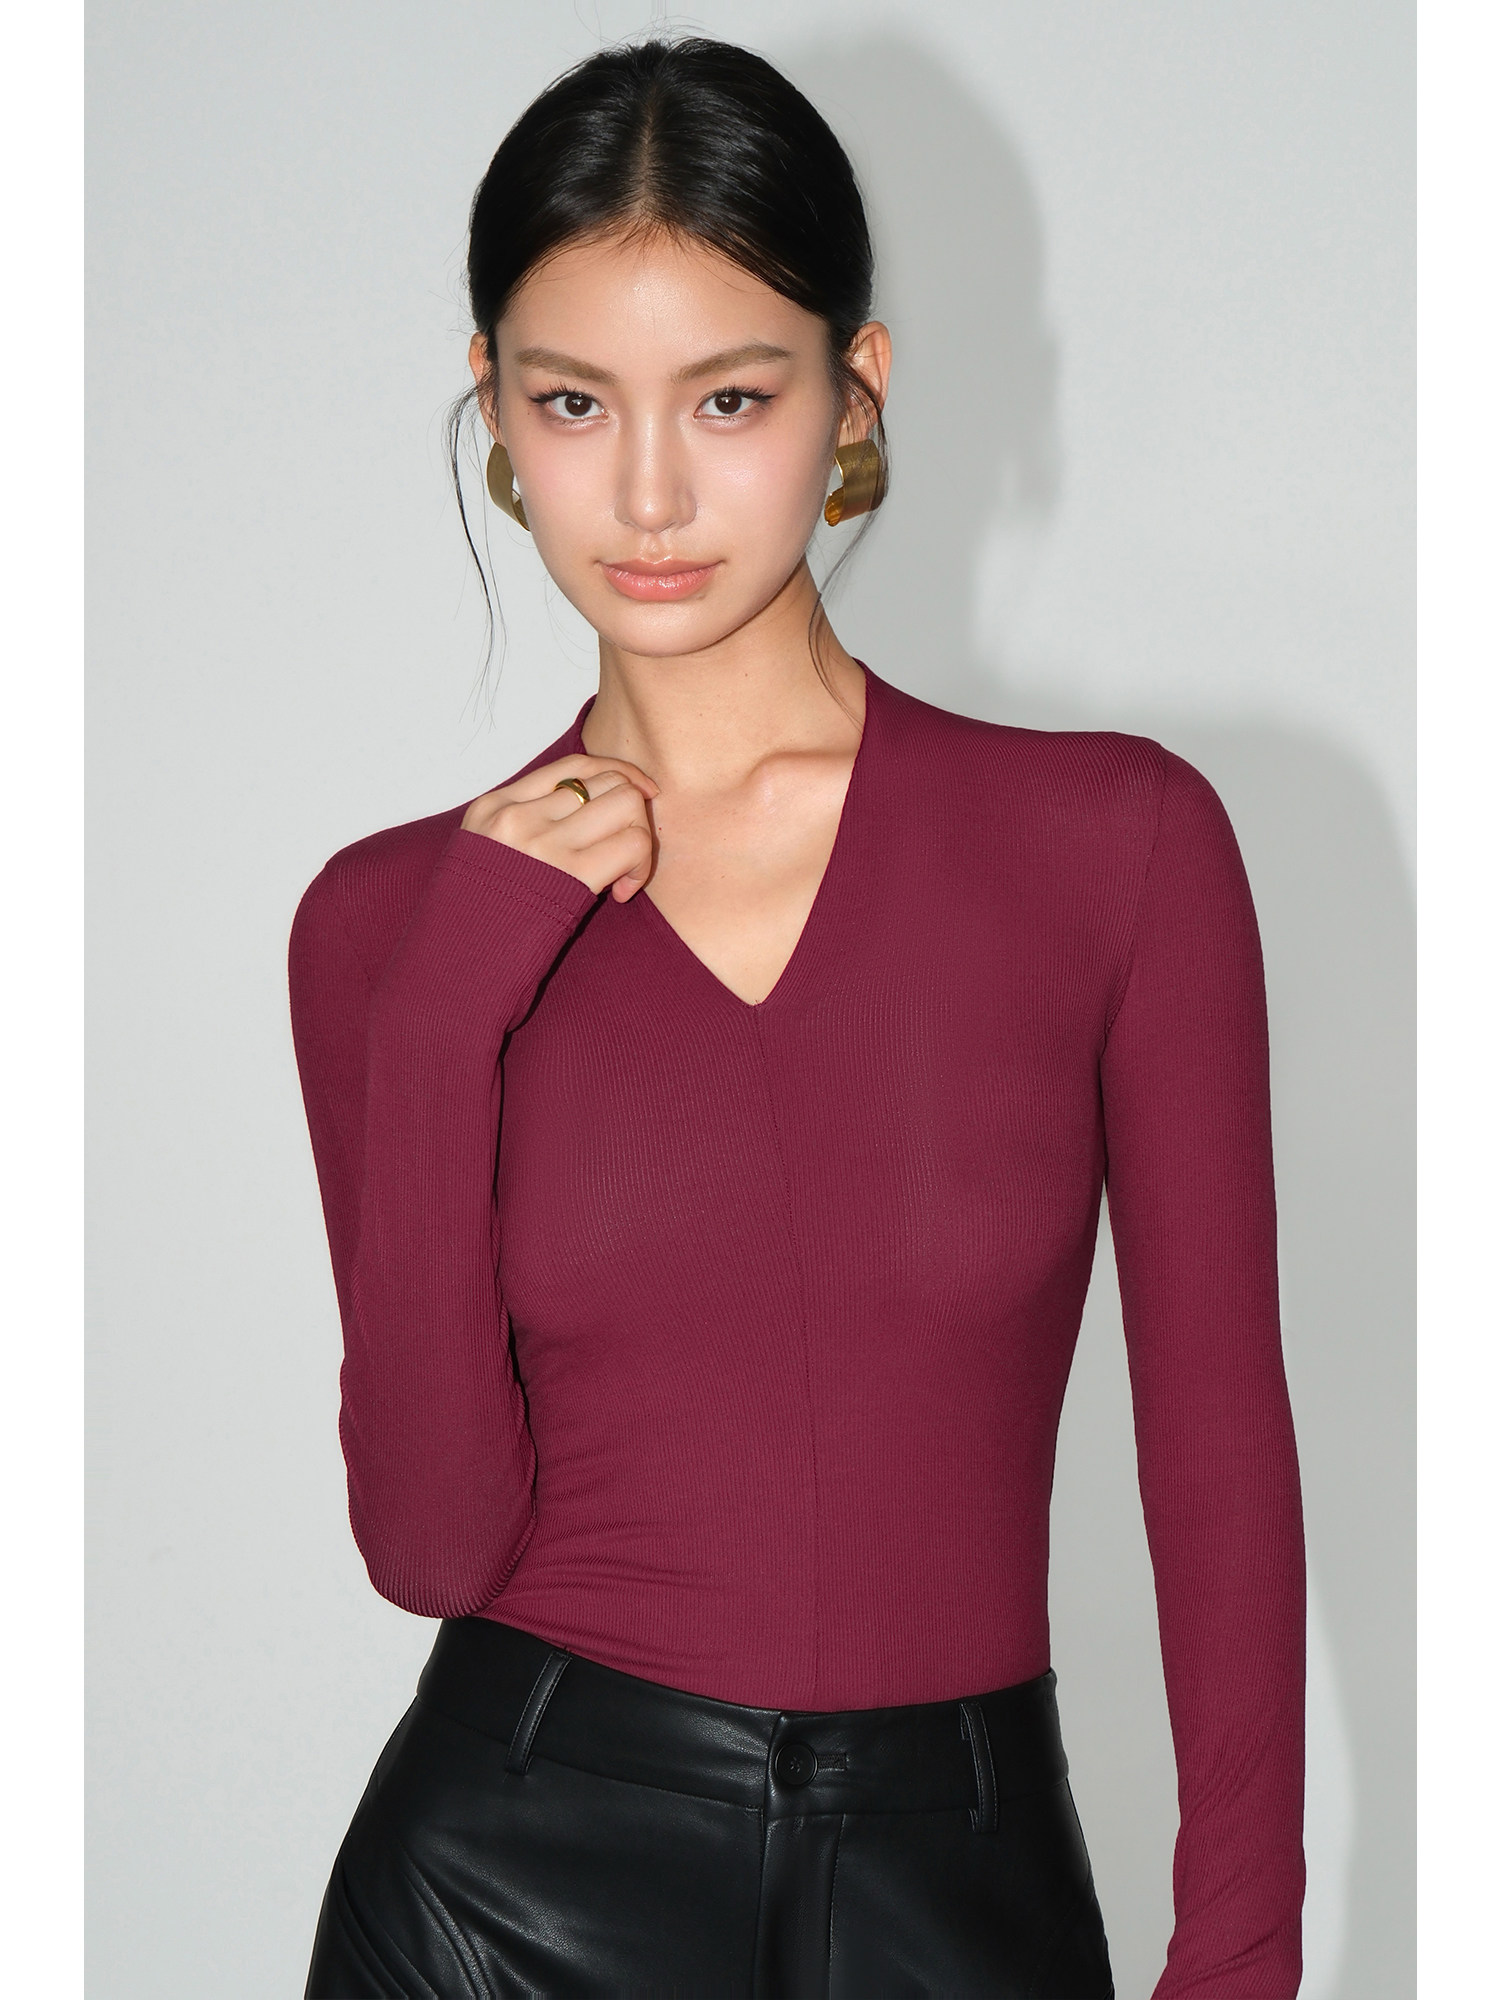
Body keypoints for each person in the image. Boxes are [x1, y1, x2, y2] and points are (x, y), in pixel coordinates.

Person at [289, 35, 1305, 2000]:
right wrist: (439, 1026)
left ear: (859, 388)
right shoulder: (390, 927)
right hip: (502, 1901)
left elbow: (1220, 1464)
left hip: (959, 1893)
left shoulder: (1118, 848)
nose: (648, 490)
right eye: (573, 401)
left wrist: (1240, 1962)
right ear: (494, 405)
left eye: (731, 397)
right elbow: (431, 1545)